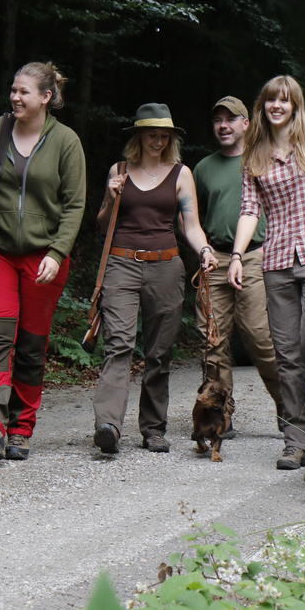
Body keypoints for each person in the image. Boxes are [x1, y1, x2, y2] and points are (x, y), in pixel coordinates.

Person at [0, 62, 86, 462]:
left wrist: (57, 252)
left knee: (32, 346)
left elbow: (74, 206)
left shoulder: (66, 142)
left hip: (44, 258)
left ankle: (20, 428)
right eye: (13, 90)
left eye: (24, 92)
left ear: (46, 97)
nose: (15, 97)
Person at [227, 76, 305, 470]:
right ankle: (295, 441)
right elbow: (249, 210)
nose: (277, 106)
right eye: (270, 101)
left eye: (285, 100)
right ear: (262, 106)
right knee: (286, 355)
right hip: (276, 260)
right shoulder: (253, 154)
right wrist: (236, 255)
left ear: (295, 105)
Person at [91, 103, 217, 454]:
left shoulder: (181, 174)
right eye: (152, 135)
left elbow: (190, 225)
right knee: (118, 344)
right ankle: (109, 425)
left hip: (166, 266)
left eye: (164, 136)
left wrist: (205, 251)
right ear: (139, 137)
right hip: (121, 263)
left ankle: (153, 429)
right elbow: (102, 224)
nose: (158, 141)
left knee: (160, 351)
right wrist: (109, 196)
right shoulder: (119, 170)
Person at [193, 97, 287, 433]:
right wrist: (203, 248)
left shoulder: (263, 161)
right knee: (212, 341)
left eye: (231, 119)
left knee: (260, 337)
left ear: (246, 124)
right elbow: (191, 217)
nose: (223, 125)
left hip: (256, 256)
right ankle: (219, 413)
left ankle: (288, 408)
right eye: (218, 120)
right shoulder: (203, 168)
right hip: (214, 259)